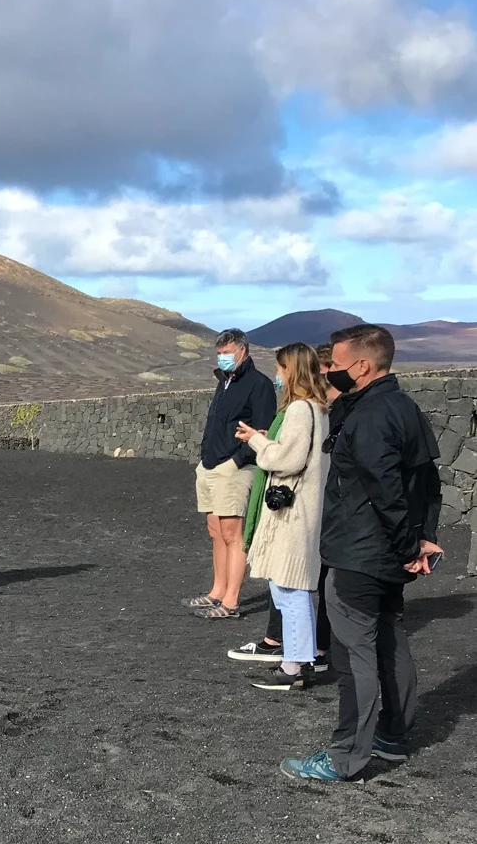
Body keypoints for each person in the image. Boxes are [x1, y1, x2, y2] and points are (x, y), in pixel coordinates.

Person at [281, 324, 444, 782]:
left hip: (361, 553)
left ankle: (344, 756)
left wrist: (410, 542)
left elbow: (385, 490)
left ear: (362, 366)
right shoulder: (404, 407)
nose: (328, 370)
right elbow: (427, 481)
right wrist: (420, 539)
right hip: (389, 553)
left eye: (333, 363)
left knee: (354, 656)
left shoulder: (371, 415)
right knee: (391, 642)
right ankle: (392, 737)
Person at [232, 341, 337, 666]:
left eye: (280, 369)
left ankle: (295, 664)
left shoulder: (299, 409)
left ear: (292, 371)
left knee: (290, 591)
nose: (277, 375)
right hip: (303, 511)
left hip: (292, 516)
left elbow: (287, 460)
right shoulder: (317, 409)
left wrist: (257, 440)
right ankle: (297, 661)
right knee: (293, 590)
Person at [185, 328, 277, 620]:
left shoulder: (259, 384)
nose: (222, 358)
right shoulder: (224, 381)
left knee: (231, 533)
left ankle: (232, 601)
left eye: (227, 352)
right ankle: (217, 591)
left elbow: (263, 430)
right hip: (210, 464)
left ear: (242, 350)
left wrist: (237, 461)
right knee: (215, 532)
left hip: (233, 467)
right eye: (219, 353)